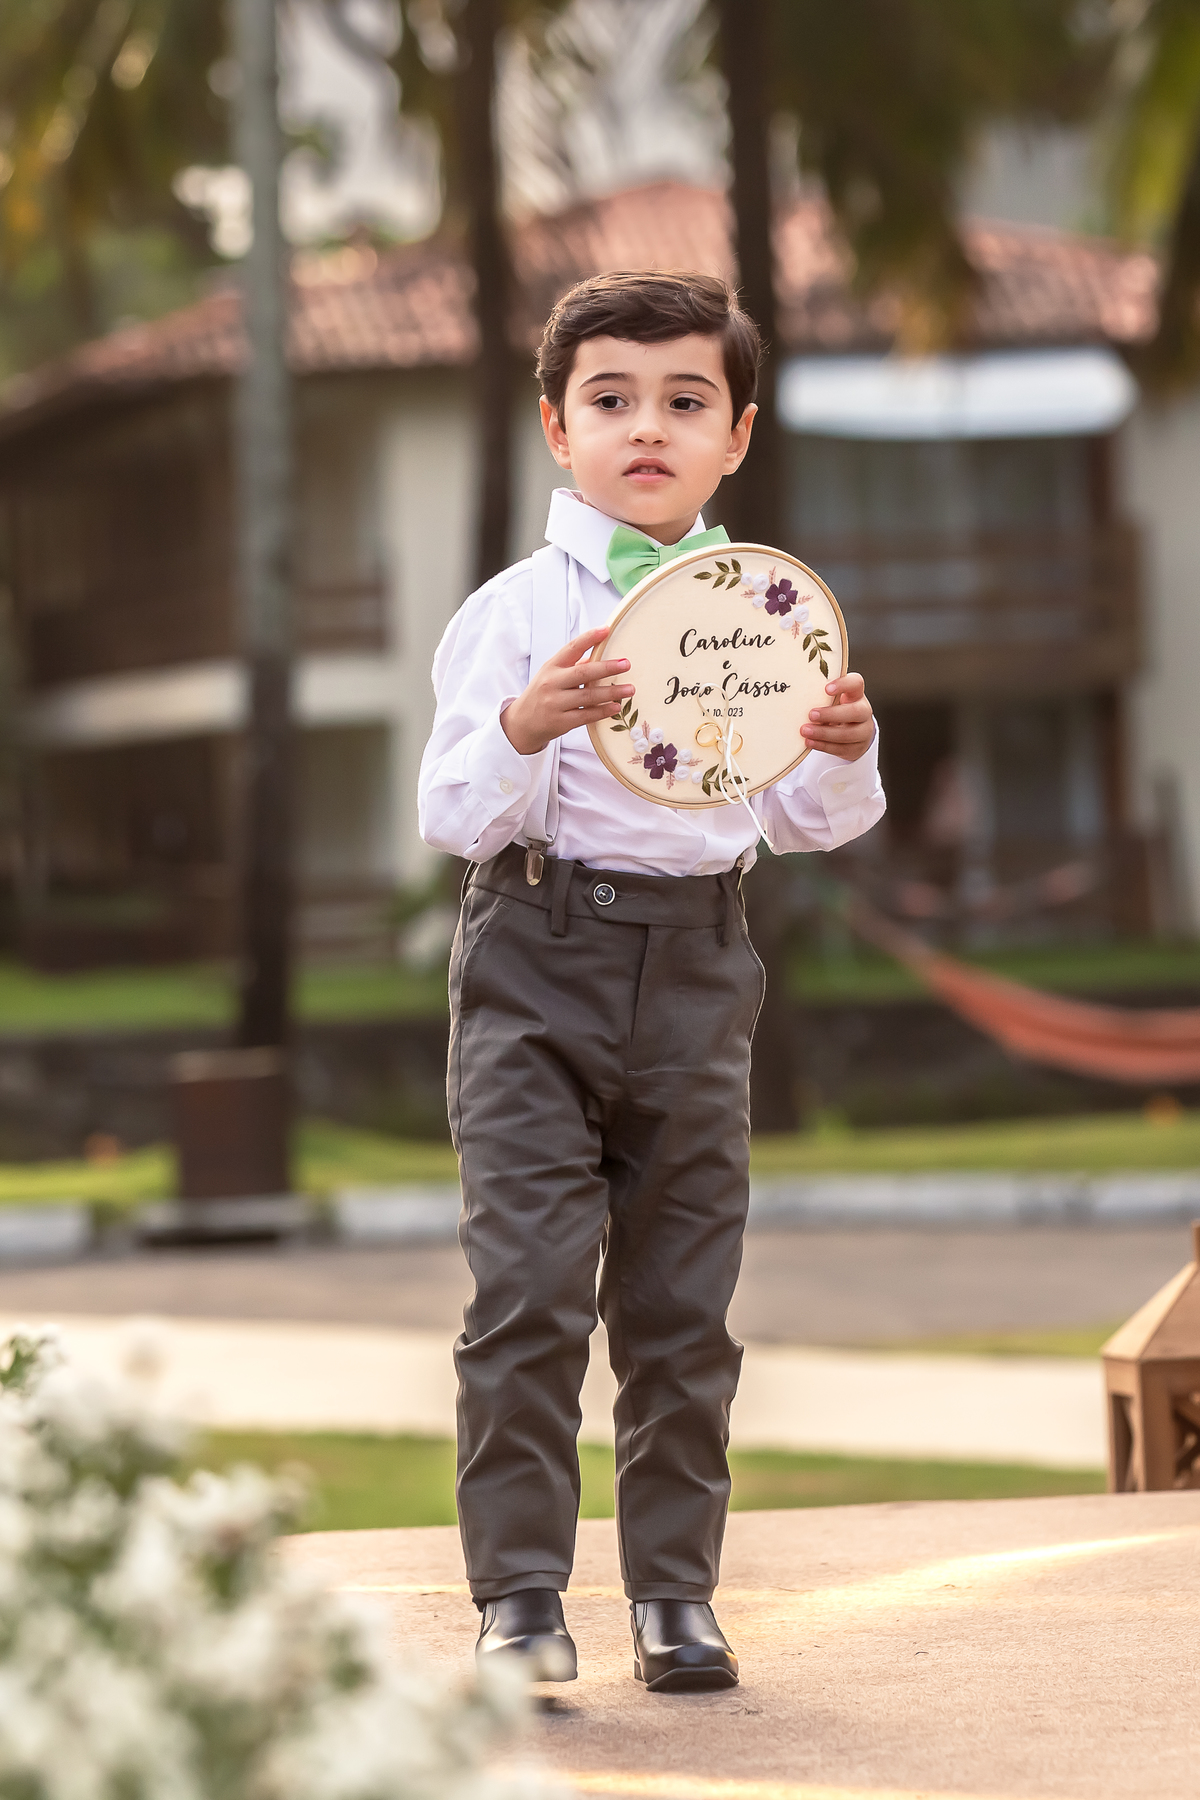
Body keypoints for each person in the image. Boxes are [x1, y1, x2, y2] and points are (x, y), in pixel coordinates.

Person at [418, 270, 885, 1695]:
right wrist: (524, 723)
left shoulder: (773, 616)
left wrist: (846, 745)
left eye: (685, 402)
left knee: (684, 1303)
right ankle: (518, 1600)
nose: (647, 428)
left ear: (735, 436)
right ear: (557, 427)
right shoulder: (514, 612)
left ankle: (676, 1597)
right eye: (611, 400)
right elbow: (450, 812)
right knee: (529, 1289)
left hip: (697, 964)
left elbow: (809, 822)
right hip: (535, 961)